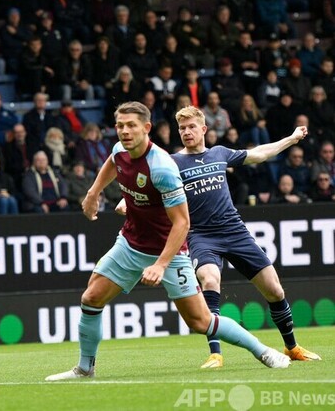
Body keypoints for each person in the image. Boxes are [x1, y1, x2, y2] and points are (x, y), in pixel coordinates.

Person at [45, 101, 290, 382]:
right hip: (130, 243)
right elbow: (112, 163)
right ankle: (85, 368)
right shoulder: (119, 149)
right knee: (91, 297)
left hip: (170, 252)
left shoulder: (162, 167)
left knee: (201, 322)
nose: (124, 131)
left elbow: (182, 223)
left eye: (131, 126)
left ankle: (263, 351)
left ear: (146, 128)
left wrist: (161, 265)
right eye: (120, 125)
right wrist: (93, 193)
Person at [169, 106, 320, 368]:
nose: (186, 132)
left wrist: (292, 138)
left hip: (235, 231)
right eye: (182, 128)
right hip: (201, 235)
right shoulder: (172, 163)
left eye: (191, 127)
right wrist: (129, 204)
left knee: (274, 289)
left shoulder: (220, 153)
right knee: (209, 278)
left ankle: (292, 346)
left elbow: (260, 154)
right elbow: (150, 186)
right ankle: (215, 353)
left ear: (204, 129)